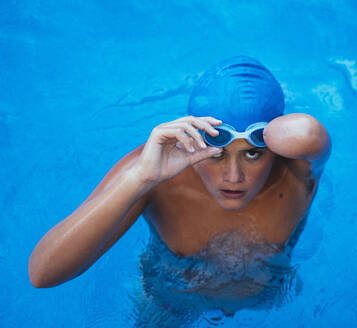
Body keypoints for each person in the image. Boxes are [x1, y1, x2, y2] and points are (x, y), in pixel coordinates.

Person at [28, 56, 331, 312]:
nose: (233, 176)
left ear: (273, 147)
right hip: (169, 304)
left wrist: (261, 126)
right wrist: (139, 179)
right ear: (192, 137)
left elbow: (306, 133)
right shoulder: (155, 174)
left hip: (269, 303)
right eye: (215, 154)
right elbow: (42, 274)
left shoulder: (295, 172)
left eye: (252, 155)